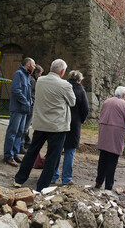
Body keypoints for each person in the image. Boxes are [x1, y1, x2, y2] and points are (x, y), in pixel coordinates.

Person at [14, 59, 76, 192]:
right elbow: (72, 102)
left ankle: (19, 179)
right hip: (57, 127)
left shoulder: (40, 81)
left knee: (32, 152)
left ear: (51, 68)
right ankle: (42, 186)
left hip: (41, 124)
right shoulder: (65, 85)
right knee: (52, 157)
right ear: (62, 71)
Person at [52, 70, 89, 185]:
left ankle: (53, 176)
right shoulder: (81, 90)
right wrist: (80, 120)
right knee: (69, 151)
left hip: (60, 120)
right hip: (74, 123)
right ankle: (66, 179)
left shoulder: (62, 86)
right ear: (79, 79)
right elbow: (85, 109)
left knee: (56, 150)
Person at [95, 86, 125, 190]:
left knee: (102, 158)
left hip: (104, 131)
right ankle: (108, 186)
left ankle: (99, 181)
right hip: (116, 133)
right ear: (124, 95)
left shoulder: (107, 101)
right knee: (112, 160)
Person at [3, 57, 35, 167]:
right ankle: (8, 156)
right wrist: (26, 102)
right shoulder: (19, 74)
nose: (34, 67)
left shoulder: (27, 76)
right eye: (34, 65)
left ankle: (15, 153)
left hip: (24, 110)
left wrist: (29, 102)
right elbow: (16, 90)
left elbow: (28, 92)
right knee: (13, 132)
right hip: (17, 108)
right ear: (28, 64)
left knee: (20, 132)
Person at [20, 64, 44, 154]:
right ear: (36, 73)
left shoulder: (31, 79)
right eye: (40, 74)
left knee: (26, 126)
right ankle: (21, 145)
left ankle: (26, 141)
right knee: (25, 126)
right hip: (30, 104)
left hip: (30, 104)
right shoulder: (32, 80)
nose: (40, 76)